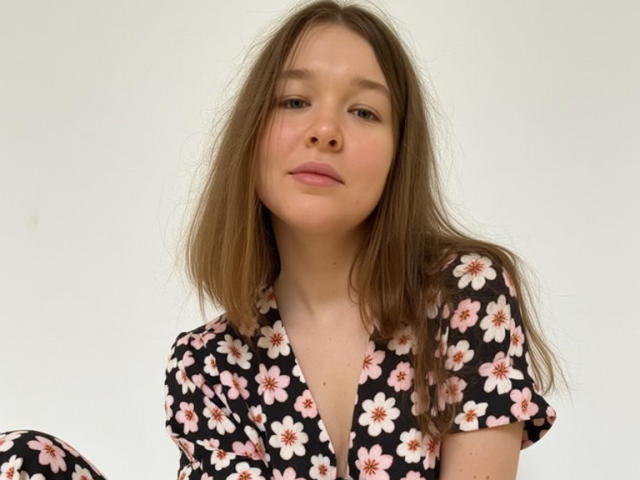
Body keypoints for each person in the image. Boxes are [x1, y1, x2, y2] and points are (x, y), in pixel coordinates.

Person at [0, 1, 562, 479]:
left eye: (364, 111)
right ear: (252, 133)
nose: (326, 130)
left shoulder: (465, 294)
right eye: (294, 101)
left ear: (400, 154)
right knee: (20, 460)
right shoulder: (206, 365)